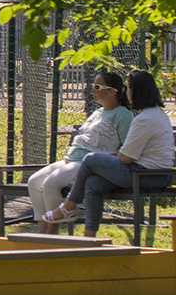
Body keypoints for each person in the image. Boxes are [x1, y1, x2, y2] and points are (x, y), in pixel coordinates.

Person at [40, 70, 175, 236]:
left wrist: (106, 158)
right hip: (153, 174)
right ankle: (89, 239)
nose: (127, 92)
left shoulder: (144, 119)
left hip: (145, 175)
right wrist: (110, 158)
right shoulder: (156, 113)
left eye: (129, 88)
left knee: (90, 159)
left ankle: (68, 207)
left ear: (138, 90)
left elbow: (126, 157)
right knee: (93, 184)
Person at [26, 72, 131, 234]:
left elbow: (128, 146)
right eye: (92, 86)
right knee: (34, 181)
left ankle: (52, 234)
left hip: (87, 164)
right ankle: (42, 231)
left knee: (51, 183)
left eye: (97, 87)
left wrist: (108, 159)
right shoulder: (97, 112)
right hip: (70, 160)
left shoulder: (123, 114)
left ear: (112, 91)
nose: (92, 90)